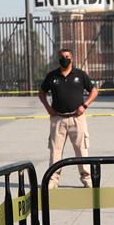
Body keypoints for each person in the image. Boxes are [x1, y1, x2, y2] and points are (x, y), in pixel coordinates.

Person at [38, 48, 99, 188]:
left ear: (72, 58)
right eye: (62, 57)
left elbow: (94, 91)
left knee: (81, 150)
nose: (64, 59)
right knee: (55, 151)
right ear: (58, 59)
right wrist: (48, 108)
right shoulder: (52, 76)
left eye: (67, 56)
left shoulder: (80, 75)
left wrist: (85, 105)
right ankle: (53, 180)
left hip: (77, 118)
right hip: (58, 119)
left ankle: (87, 179)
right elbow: (41, 93)